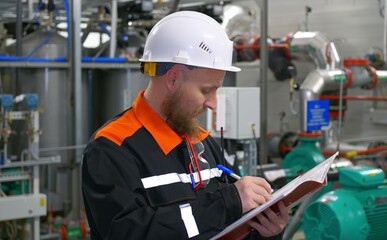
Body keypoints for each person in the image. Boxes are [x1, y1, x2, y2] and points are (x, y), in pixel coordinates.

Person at [82, 11, 289, 239]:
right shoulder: (112, 148)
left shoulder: (201, 140)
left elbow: (231, 224)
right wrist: (226, 202)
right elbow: (129, 233)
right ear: (172, 79)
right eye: (206, 90)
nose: (212, 103)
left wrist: (265, 230)